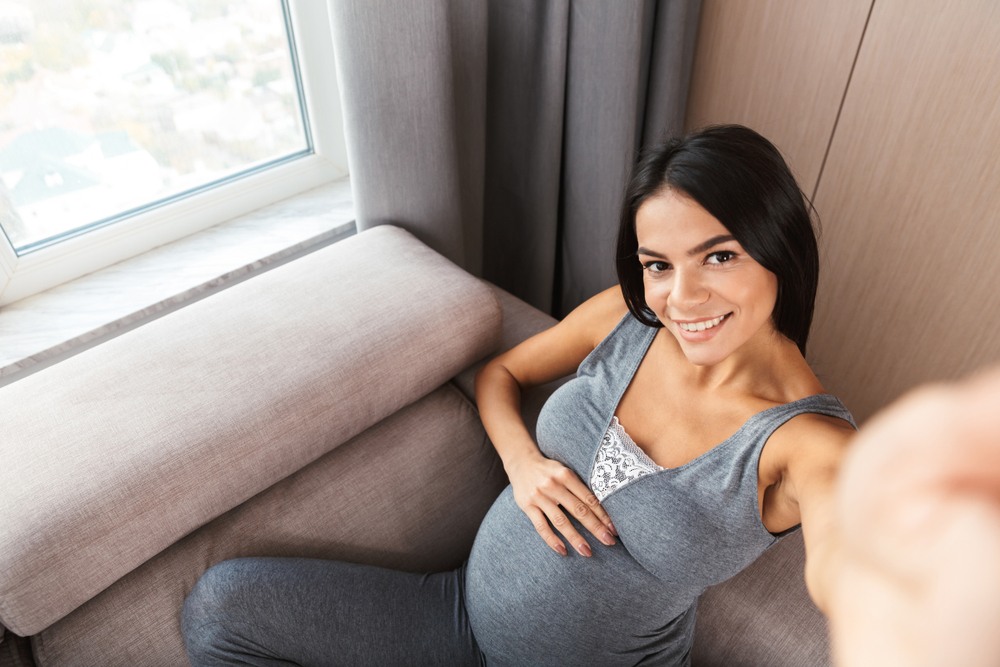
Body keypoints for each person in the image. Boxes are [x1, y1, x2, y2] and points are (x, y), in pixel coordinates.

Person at [182, 124, 858, 665]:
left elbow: (843, 568)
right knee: (220, 610)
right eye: (659, 265)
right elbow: (499, 374)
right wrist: (523, 463)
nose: (682, 298)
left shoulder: (808, 442)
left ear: (779, 243)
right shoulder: (630, 322)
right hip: (452, 620)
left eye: (719, 255)